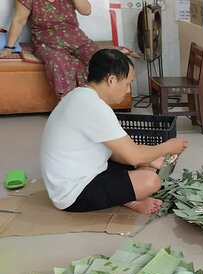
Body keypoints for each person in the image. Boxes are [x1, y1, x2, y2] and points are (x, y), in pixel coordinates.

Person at [40, 48, 188, 214]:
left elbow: (120, 152)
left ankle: (128, 194)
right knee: (150, 181)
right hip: (72, 194)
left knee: (152, 163)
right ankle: (130, 200)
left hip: (84, 171)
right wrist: (167, 147)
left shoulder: (79, 96)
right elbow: (134, 155)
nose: (127, 90)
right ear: (111, 80)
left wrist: (149, 159)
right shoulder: (94, 107)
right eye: (127, 83)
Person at [0, 0, 100, 97]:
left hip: (77, 39)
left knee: (100, 57)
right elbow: (19, 21)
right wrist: (9, 47)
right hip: (47, 42)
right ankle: (69, 103)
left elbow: (86, 11)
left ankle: (97, 100)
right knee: (58, 62)